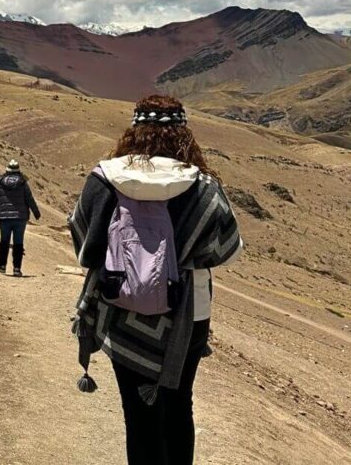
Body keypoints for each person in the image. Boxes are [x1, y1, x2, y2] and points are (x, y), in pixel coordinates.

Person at [68, 95, 242, 465]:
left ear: (133, 131)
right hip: (189, 314)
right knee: (179, 404)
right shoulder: (203, 186)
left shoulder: (104, 179)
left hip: (120, 310)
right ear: (183, 134)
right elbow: (226, 248)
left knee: (138, 414)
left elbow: (84, 242)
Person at [0, 159, 41, 276]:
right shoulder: (23, 183)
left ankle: (2, 266)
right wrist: (36, 212)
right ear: (18, 171)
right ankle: (16, 269)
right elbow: (29, 199)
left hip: (4, 217)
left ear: (7, 170)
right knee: (18, 242)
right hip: (20, 217)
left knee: (4, 241)